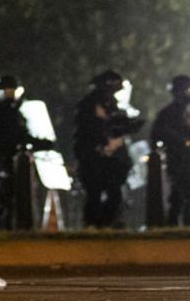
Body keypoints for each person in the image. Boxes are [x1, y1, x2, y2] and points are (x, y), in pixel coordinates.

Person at [74, 70, 143, 228]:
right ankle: (94, 224)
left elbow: (116, 125)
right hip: (94, 157)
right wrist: (102, 142)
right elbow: (89, 130)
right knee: (95, 193)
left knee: (113, 193)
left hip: (110, 159)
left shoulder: (110, 103)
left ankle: (103, 223)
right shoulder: (90, 105)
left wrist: (127, 127)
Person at [0, 75, 52, 229]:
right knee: (5, 197)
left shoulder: (15, 111)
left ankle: (14, 227)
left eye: (12, 91)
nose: (11, 94)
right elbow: (9, 137)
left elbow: (21, 135)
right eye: (8, 91)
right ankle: (3, 228)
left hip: (11, 159)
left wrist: (38, 143)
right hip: (4, 159)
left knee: (15, 196)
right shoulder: (0, 112)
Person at [151, 75, 190, 226]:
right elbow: (158, 134)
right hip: (178, 156)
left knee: (181, 192)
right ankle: (174, 222)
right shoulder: (167, 113)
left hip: (180, 156)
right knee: (180, 191)